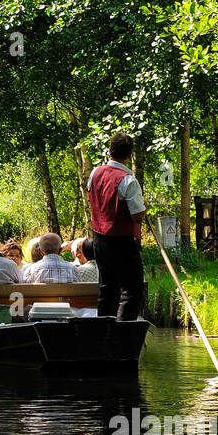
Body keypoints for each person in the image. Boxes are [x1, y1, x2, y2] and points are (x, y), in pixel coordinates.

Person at [88, 132, 146, 320]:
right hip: (121, 242)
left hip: (100, 239)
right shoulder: (128, 180)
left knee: (108, 287)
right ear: (129, 155)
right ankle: (123, 332)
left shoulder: (94, 173)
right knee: (133, 288)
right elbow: (137, 216)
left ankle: (104, 330)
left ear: (110, 150)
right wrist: (145, 207)